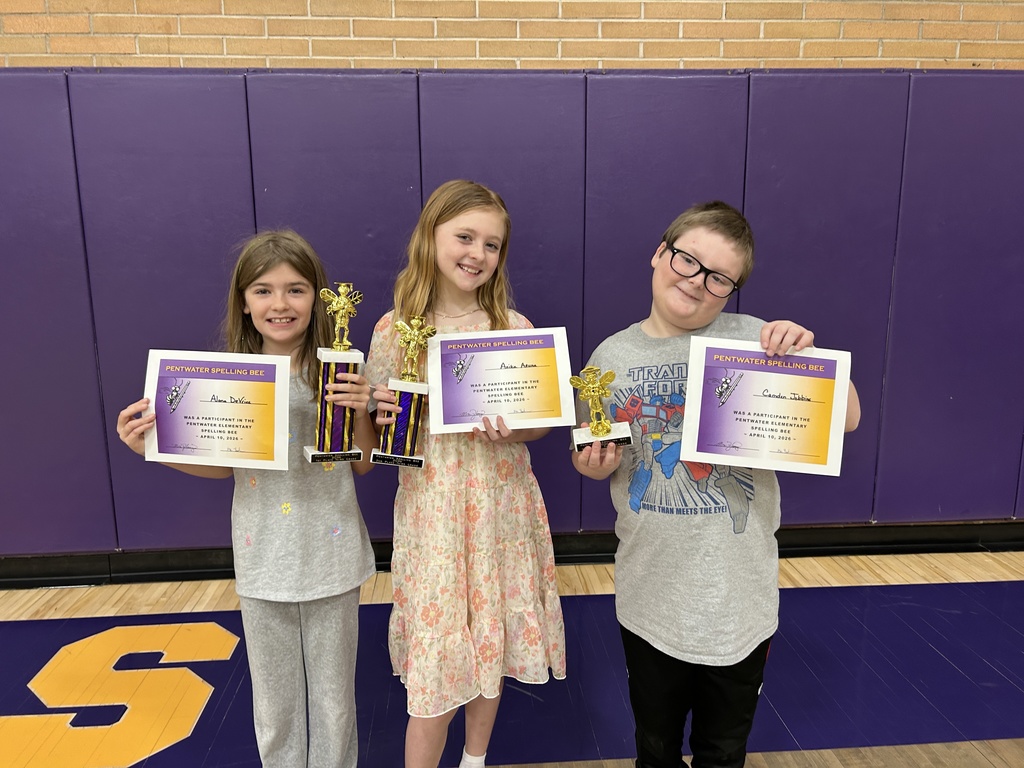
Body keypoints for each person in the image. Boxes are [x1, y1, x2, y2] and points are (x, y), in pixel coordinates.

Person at [571, 201, 861, 768]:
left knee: (723, 752)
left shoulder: (756, 339)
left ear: (732, 289)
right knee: (653, 750)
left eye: (719, 277)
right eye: (687, 260)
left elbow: (846, 418)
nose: (697, 283)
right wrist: (594, 466)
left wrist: (808, 354)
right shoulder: (610, 356)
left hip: (740, 603)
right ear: (660, 254)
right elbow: (591, 448)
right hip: (649, 599)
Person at [115, 230, 377, 768]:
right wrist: (153, 448)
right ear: (243, 301)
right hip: (261, 558)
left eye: (296, 289)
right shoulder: (228, 378)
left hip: (331, 552)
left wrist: (357, 410)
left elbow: (364, 461)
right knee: (275, 702)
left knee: (333, 701)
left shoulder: (344, 367)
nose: (280, 304)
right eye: (263, 290)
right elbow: (219, 468)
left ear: (320, 297)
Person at [365, 180, 566, 768]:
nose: (478, 253)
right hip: (434, 515)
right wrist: (376, 415)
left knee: (491, 640)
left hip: (500, 505)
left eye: (493, 244)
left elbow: (539, 427)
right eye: (465, 236)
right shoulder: (394, 329)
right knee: (435, 660)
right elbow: (384, 443)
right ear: (430, 237)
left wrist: (515, 428)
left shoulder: (513, 325)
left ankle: (475, 760)